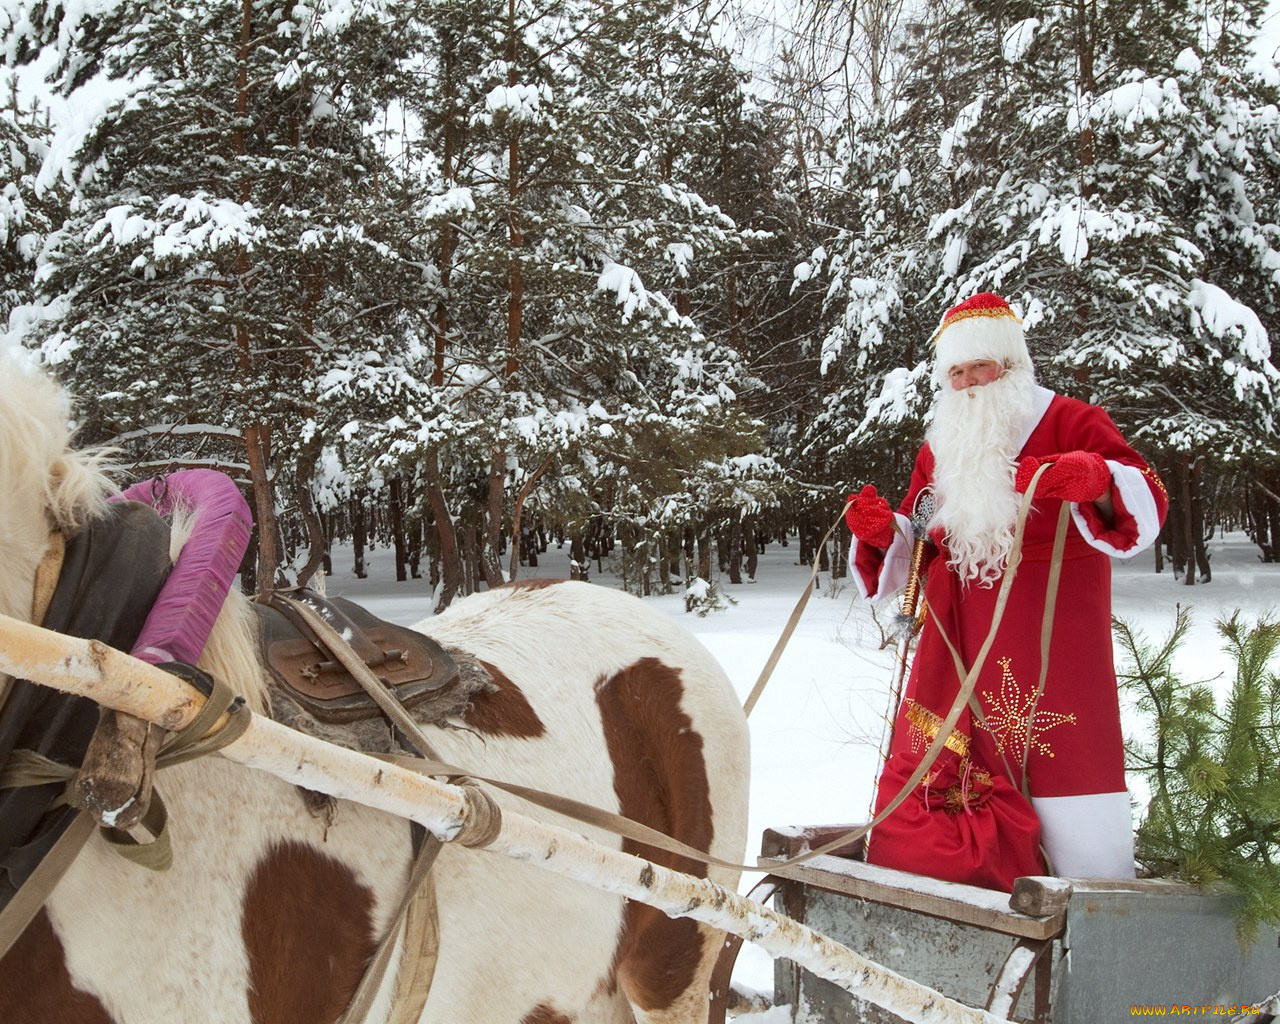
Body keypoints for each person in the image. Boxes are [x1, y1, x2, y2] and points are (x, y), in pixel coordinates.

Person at [845, 292, 1168, 891]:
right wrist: (880, 534)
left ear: (1011, 367)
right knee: (947, 766)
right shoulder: (941, 447)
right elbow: (923, 539)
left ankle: (1087, 899)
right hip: (959, 644)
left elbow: (1145, 507)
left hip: (1052, 637)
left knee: (1063, 762)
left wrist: (1098, 482)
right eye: (956, 371)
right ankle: (955, 893)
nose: (968, 383)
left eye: (981, 367)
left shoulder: (1072, 421)